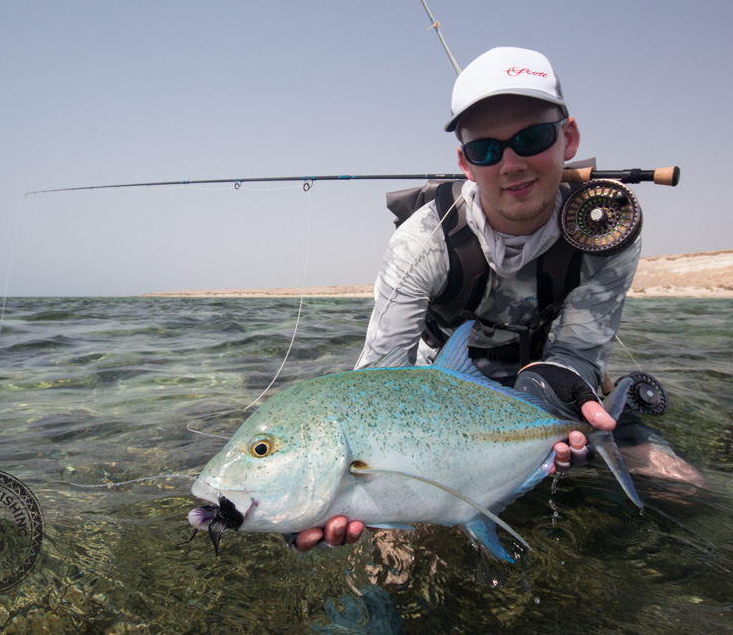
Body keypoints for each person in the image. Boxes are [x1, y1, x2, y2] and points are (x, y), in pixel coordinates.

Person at [295, 47, 702, 552]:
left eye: (532, 139)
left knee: (684, 488)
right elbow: (378, 379)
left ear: (568, 139)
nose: (511, 164)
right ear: (465, 163)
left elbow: (577, 354)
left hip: (546, 389)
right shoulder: (421, 242)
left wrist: (557, 402)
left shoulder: (605, 230)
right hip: (437, 402)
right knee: (394, 554)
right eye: (487, 150)